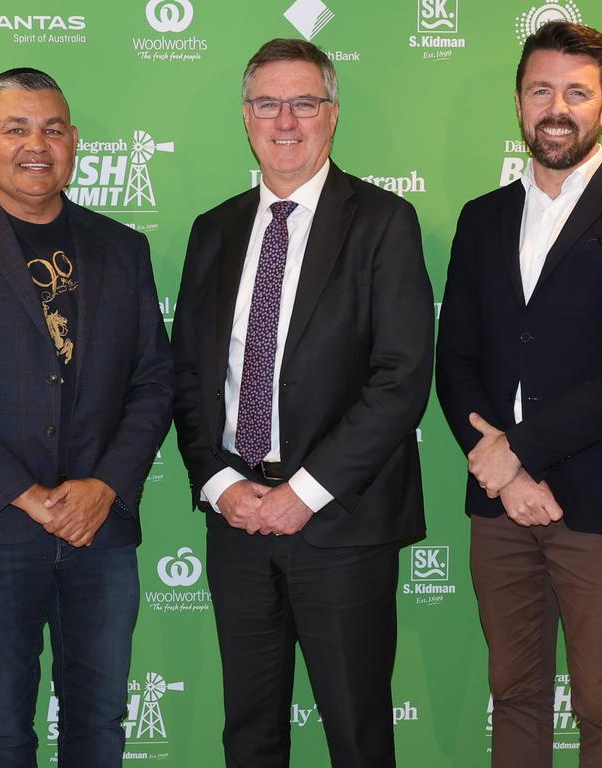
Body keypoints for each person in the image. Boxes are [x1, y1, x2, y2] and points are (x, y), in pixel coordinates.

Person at [0, 68, 174, 767]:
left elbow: (154, 381)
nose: (35, 144)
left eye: (51, 128)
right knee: (1, 725)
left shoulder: (122, 247)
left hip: (100, 529)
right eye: (14, 128)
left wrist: (102, 487)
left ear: (73, 141)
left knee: (100, 720)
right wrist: (28, 497)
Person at [172, 38, 434, 767]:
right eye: (266, 103)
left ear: (332, 114)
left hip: (341, 525)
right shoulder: (213, 230)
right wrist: (224, 485)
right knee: (249, 733)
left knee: (356, 735)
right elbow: (189, 380)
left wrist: (303, 493)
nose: (284, 119)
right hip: (238, 526)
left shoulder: (383, 222)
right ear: (246, 117)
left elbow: (401, 376)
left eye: (304, 102)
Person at [436, 21, 602, 768]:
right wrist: (502, 473)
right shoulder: (482, 219)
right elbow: (456, 362)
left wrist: (519, 456)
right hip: (499, 510)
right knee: (514, 698)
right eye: (541, 89)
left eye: (577, 92)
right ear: (518, 102)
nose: (557, 107)